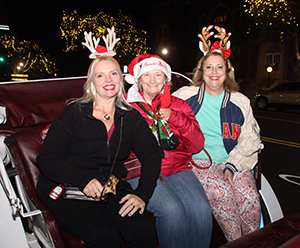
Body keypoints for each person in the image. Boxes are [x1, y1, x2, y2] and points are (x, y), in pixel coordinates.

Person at [36, 28, 161, 248]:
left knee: (144, 230)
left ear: (121, 79)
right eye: (100, 75)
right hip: (68, 188)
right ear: (92, 82)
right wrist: (83, 180)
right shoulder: (75, 113)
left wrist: (142, 194)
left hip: (109, 188)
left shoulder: (130, 117)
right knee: (105, 237)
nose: (108, 79)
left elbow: (152, 155)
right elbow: (47, 159)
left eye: (113, 73)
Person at [173, 25, 262, 242]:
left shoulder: (240, 101)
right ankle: (235, 242)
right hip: (199, 162)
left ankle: (253, 242)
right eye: (209, 68)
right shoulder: (185, 96)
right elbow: (156, 106)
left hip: (234, 160)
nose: (214, 72)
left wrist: (232, 166)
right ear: (201, 72)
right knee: (222, 193)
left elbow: (251, 139)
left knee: (249, 199)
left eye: (219, 67)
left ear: (227, 72)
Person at [124, 54, 212, 248]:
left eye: (158, 75)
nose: (153, 80)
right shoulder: (125, 105)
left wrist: (175, 118)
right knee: (172, 210)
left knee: (202, 209)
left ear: (166, 79)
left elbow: (197, 145)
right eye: (146, 75)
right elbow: (93, 112)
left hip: (178, 168)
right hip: (141, 169)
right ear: (138, 79)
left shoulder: (178, 105)